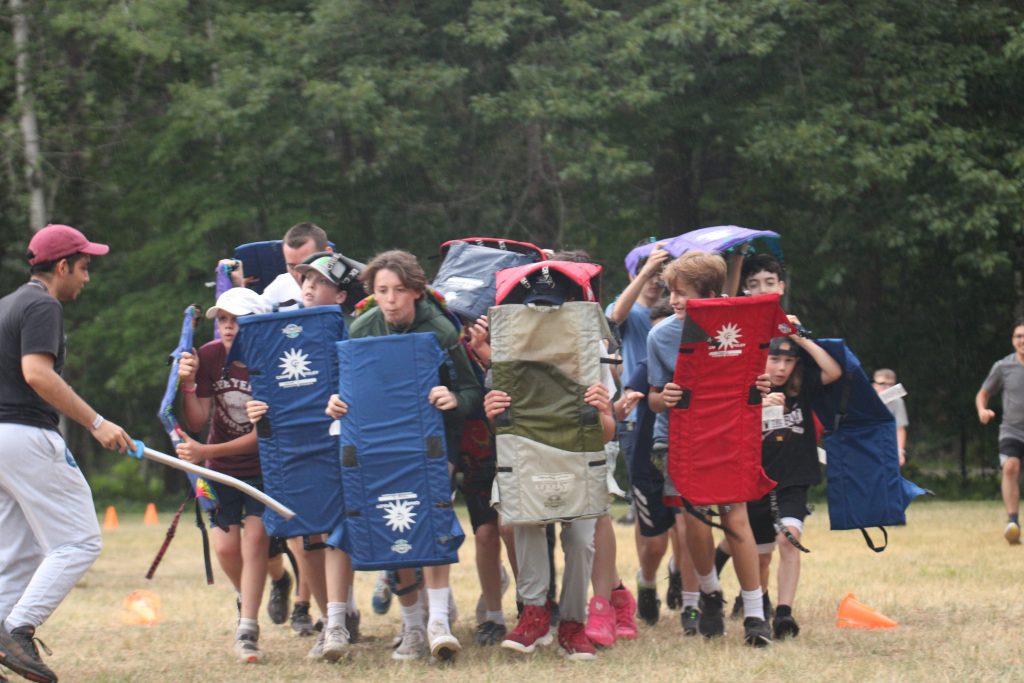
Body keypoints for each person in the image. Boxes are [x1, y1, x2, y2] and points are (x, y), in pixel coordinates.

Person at [325, 250, 482, 662]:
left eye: (398, 291)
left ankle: (439, 625)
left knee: (428, 522)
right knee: (394, 526)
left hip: (432, 444)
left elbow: (472, 393)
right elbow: (346, 392)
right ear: (372, 293)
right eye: (381, 291)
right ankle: (412, 625)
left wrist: (452, 397)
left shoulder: (442, 331)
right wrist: (338, 403)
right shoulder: (361, 329)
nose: (390, 300)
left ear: (415, 291)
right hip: (379, 445)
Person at [0, 225, 132, 683]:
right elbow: (37, 374)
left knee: (19, 554)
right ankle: (17, 631)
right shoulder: (42, 304)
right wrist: (96, 423)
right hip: (26, 436)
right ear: (62, 267)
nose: (87, 278)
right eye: (84, 267)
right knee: (79, 540)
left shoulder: (6, 306)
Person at [647, 250, 773, 646]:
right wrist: (662, 397)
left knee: (736, 517)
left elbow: (757, 376)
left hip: (730, 433)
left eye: (682, 293)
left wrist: (763, 385)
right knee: (695, 521)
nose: (674, 301)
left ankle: (755, 615)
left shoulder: (743, 324)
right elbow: (650, 397)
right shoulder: (660, 335)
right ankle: (710, 592)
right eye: (671, 293)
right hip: (680, 437)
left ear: (710, 292)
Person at [246, 251, 362, 662]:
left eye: (320, 280)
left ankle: (335, 622)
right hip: (290, 446)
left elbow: (363, 387)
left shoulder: (350, 332)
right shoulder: (278, 330)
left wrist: (347, 400)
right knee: (301, 534)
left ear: (342, 294)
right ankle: (332, 616)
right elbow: (264, 383)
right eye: (305, 278)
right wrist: (256, 408)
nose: (309, 286)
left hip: (334, 445)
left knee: (334, 530)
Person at [176, 287, 272, 663]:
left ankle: (247, 629)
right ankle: (248, 596)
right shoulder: (209, 356)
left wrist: (204, 453)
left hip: (262, 470)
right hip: (220, 471)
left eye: (237, 320)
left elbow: (258, 438)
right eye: (223, 320)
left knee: (256, 539)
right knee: (226, 548)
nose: (229, 327)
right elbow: (198, 419)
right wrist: (187, 382)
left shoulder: (268, 359)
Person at [613, 299, 699, 634]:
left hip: (686, 456)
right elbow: (623, 407)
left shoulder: (698, 359)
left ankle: (690, 600)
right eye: (659, 329)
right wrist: (625, 402)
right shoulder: (648, 362)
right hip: (649, 458)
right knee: (654, 542)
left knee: (688, 530)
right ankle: (647, 582)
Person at [749, 334, 841, 638]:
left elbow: (833, 371)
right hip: (755, 481)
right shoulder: (746, 388)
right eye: (775, 359)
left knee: (789, 540)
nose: (781, 368)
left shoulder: (802, 387)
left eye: (789, 361)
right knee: (760, 556)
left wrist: (800, 339)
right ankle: (757, 603)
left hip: (793, 480)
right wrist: (759, 405)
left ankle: (784, 613)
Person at [976, 322, 1024, 545]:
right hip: (1012, 430)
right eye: (1018, 336)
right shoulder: (1003, 366)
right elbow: (983, 393)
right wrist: (982, 410)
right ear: (1013, 340)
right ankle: (1013, 523)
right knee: (1010, 467)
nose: (1022, 340)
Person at [873, 369, 908, 466]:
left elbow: (900, 428)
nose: (886, 388)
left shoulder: (897, 401)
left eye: (890, 385)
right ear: (875, 385)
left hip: (886, 445)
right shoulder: (866, 399)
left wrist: (900, 451)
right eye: (882, 384)